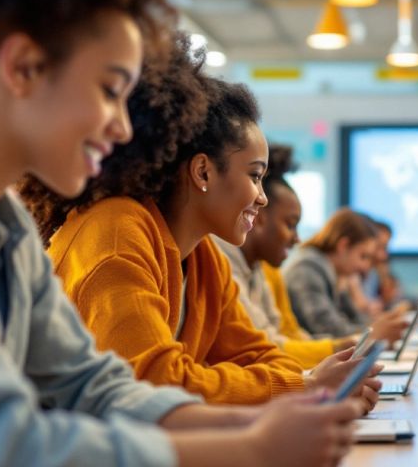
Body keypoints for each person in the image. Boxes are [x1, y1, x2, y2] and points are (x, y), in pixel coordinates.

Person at [0, 0, 359, 466]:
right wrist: (248, 446)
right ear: (23, 67)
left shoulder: (4, 218)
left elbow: (95, 386)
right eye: (110, 91)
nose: (122, 128)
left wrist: (258, 422)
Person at [19, 36, 379, 410]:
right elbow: (154, 383)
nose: (262, 196)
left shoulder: (205, 258)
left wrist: (305, 383)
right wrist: (303, 388)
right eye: (255, 176)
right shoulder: (115, 233)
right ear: (203, 171)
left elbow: (261, 356)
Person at [215, 144, 355, 369]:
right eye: (290, 225)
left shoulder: (258, 268)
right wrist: (340, 350)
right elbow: (260, 349)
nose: (258, 198)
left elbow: (277, 333)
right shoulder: (220, 259)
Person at [284, 208, 408, 341]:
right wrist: (374, 333)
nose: (365, 266)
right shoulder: (306, 270)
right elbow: (328, 328)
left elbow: (352, 319)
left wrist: (379, 327)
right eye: (363, 256)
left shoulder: (335, 274)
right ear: (343, 245)